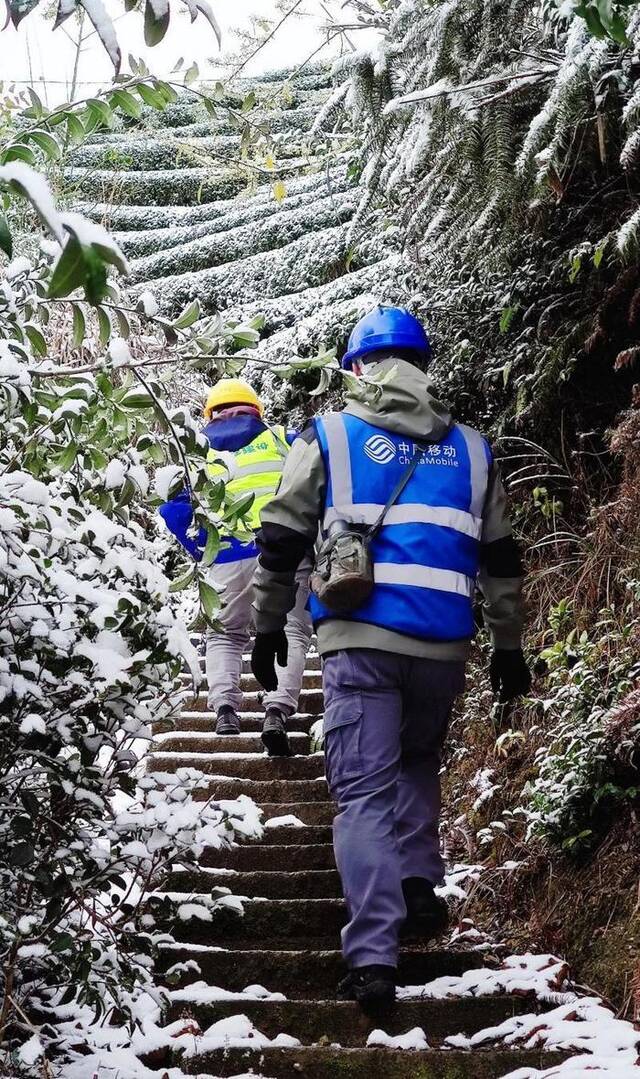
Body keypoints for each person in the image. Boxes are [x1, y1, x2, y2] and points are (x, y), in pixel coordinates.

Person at [251, 306, 531, 1010]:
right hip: (442, 647)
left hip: (360, 643)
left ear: (355, 368)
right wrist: (508, 645)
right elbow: (501, 557)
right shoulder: (471, 446)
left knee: (363, 794)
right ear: (423, 364)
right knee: (415, 763)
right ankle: (417, 880)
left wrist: (266, 625)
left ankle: (374, 956)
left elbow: (282, 534)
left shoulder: (332, 434)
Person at [158, 377, 312, 756]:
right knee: (291, 628)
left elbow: (172, 508)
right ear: (256, 411)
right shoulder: (282, 440)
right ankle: (276, 710)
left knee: (225, 634)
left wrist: (201, 550)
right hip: (284, 553)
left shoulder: (197, 453)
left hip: (225, 557)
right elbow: (313, 488)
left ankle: (226, 709)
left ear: (210, 415)